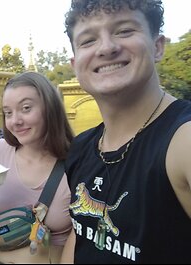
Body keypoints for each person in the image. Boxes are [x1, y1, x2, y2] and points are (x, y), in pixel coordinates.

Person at [61, 0, 191, 263]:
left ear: (157, 46)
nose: (107, 47)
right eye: (88, 40)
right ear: (75, 64)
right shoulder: (82, 148)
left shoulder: (182, 139)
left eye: (124, 31)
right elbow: (80, 236)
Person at [0, 72, 75, 263]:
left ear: (50, 109)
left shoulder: (77, 162)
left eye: (26, 108)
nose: (15, 121)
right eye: (8, 112)